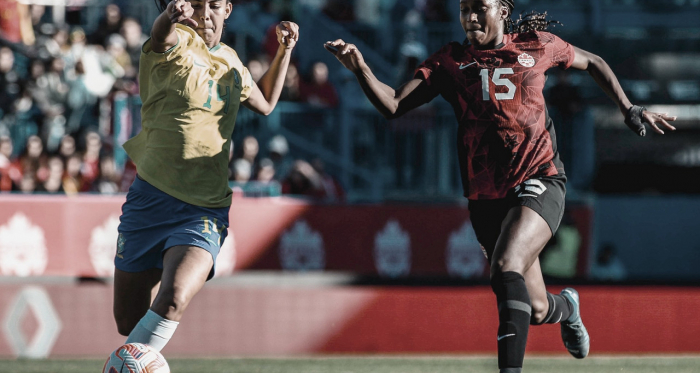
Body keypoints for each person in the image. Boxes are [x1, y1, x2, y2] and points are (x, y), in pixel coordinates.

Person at [325, 1, 676, 372]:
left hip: (540, 178)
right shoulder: (450, 61)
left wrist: (628, 108)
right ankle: (568, 307)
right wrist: (361, 68)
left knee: (506, 265)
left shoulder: (536, 45)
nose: (471, 16)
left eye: (480, 8)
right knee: (537, 309)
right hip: (486, 197)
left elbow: (594, 63)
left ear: (503, 10)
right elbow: (394, 105)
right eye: (465, 9)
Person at [113, 0, 298, 353]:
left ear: (227, 9)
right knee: (127, 321)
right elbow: (159, 35)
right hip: (149, 200)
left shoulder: (231, 60)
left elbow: (265, 103)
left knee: (173, 298)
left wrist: (284, 51)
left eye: (213, 5)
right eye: (196, 5)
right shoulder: (176, 41)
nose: (204, 13)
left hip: (204, 208)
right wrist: (169, 17)